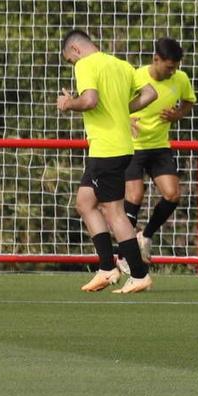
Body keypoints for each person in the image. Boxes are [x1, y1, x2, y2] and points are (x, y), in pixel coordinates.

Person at [57, 29, 157, 294]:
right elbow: (150, 94)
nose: (72, 65)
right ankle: (105, 268)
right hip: (119, 146)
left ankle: (138, 274)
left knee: (114, 211)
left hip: (106, 149)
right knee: (85, 202)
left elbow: (90, 100)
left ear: (76, 50)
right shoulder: (122, 65)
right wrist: (122, 109)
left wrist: (68, 104)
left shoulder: (86, 64)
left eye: (70, 60)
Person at [124, 37, 196, 258]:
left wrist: (177, 115)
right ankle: (125, 255)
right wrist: (126, 120)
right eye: (169, 68)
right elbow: (115, 105)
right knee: (134, 196)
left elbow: (188, 101)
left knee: (173, 194)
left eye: (176, 68)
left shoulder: (180, 78)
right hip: (133, 146)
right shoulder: (135, 77)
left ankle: (144, 235)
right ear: (156, 59)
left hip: (159, 146)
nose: (173, 72)